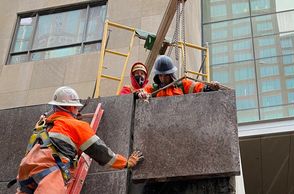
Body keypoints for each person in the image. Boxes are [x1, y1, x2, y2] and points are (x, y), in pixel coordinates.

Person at [14, 86, 143, 194]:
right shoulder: (78, 126)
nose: (77, 110)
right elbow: (101, 152)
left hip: (25, 175)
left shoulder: (43, 123)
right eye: (75, 107)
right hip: (50, 175)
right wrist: (126, 163)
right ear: (70, 108)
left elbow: (58, 145)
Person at [138, 55, 219, 98]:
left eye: (166, 76)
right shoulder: (153, 89)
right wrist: (141, 94)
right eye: (160, 76)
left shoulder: (182, 86)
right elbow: (141, 91)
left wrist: (209, 87)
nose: (163, 78)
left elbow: (197, 87)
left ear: (171, 75)